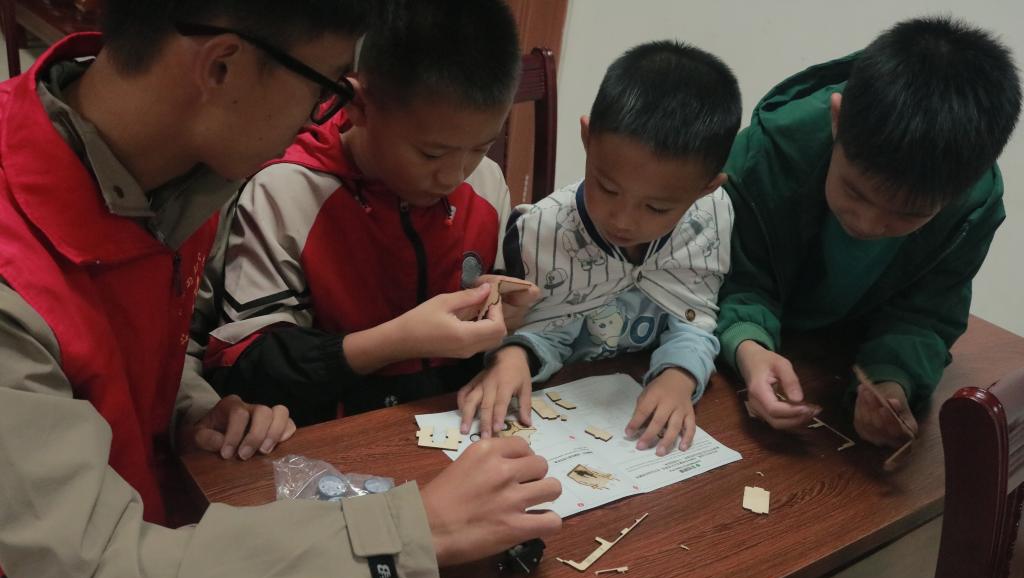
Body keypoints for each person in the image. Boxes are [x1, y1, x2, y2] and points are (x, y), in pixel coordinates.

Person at [0, 1, 560, 578]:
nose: (331, 115)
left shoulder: (168, 172)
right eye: (327, 83)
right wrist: (419, 530)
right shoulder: (17, 266)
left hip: (155, 525)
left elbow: (119, 344)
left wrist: (192, 406)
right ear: (224, 66)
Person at [201, 0, 540, 427]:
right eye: (431, 153)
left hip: (454, 426)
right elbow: (247, 372)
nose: (454, 176)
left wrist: (509, 333)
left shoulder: (485, 183)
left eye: (480, 147)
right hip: (328, 437)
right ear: (358, 104)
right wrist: (395, 342)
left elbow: (503, 317)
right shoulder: (286, 192)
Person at [715, 16, 1022, 447]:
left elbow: (925, 315)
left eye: (908, 214)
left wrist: (892, 382)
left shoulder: (972, 207)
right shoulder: (765, 155)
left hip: (839, 358)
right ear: (837, 120)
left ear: (959, 191)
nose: (867, 224)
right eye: (854, 192)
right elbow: (730, 275)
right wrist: (748, 347)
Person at [458, 41, 741, 456]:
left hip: (629, 418)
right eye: (607, 188)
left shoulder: (707, 220)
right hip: (561, 412)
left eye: (657, 208)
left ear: (706, 189)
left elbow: (694, 318)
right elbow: (542, 325)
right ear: (588, 139)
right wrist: (516, 354)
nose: (623, 220)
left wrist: (680, 375)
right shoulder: (545, 231)